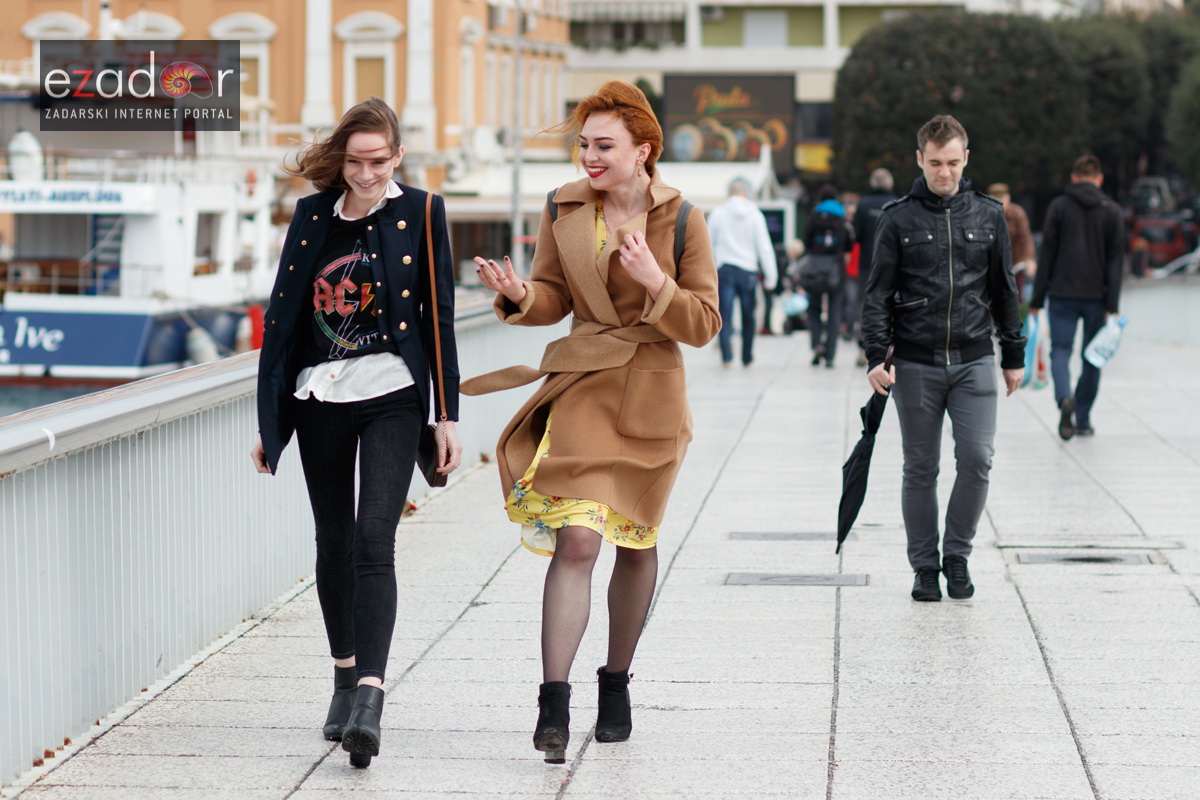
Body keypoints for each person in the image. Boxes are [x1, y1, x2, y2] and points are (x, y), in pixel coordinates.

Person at [462, 80, 719, 763]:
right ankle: (553, 702)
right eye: (583, 144)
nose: (589, 156)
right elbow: (552, 296)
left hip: (653, 395)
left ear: (644, 150)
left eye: (603, 145)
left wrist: (658, 284)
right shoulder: (563, 206)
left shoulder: (686, 219)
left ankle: (616, 681)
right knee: (578, 540)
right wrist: (520, 295)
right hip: (583, 386)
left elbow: (705, 324)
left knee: (634, 542)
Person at [250, 97, 463, 768]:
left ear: (397, 157)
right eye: (354, 161)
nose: (366, 175)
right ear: (340, 157)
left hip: (393, 394)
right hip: (319, 396)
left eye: (378, 162)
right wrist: (270, 421)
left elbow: (441, 317)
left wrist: (446, 412)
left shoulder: (423, 212)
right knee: (334, 539)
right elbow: (282, 324)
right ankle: (343, 674)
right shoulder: (312, 216)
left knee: (376, 535)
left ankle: (369, 696)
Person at [861, 114, 1024, 603]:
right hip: (916, 362)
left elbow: (1005, 289)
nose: (944, 172)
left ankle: (957, 555)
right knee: (920, 466)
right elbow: (877, 295)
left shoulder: (989, 215)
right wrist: (876, 354)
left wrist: (1013, 354)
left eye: (953, 162)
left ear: (966, 158)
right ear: (919, 159)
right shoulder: (897, 218)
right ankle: (925, 567)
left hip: (974, 358)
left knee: (977, 459)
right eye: (935, 163)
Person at [1029, 155, 1124, 440]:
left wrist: (1036, 299)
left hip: (1061, 293)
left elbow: (1046, 255)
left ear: (1073, 177)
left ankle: (1064, 398)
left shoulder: (1059, 207)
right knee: (1093, 358)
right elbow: (1115, 262)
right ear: (1099, 179)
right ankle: (1082, 418)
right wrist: (1113, 305)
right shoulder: (1113, 211)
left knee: (1060, 350)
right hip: (1097, 297)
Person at [708, 177, 777, 366]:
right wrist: (771, 277)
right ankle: (747, 356)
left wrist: (708, 272)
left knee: (725, 314)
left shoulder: (718, 213)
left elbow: (707, 245)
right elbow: (764, 247)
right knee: (749, 315)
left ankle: (727, 356)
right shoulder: (755, 214)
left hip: (725, 269)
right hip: (748, 271)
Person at [801, 185, 854, 368]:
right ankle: (830, 354)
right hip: (836, 270)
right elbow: (849, 245)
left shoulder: (813, 217)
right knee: (834, 313)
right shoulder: (842, 218)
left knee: (814, 309)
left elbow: (806, 241)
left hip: (815, 269)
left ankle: (816, 344)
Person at [853, 169, 897, 366]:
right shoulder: (897, 204)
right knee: (892, 303)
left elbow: (856, 235)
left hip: (867, 263)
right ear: (889, 184)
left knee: (865, 304)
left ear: (872, 184)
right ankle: (891, 346)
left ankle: (865, 347)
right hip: (893, 263)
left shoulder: (862, 205)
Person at [987, 183, 1036, 302]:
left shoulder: (1017, 213)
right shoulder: (985, 214)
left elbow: (1025, 238)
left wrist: (1028, 259)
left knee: (1016, 297)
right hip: (990, 265)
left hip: (1014, 264)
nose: (1000, 202)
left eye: (1002, 198)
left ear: (1008, 198)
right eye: (995, 199)